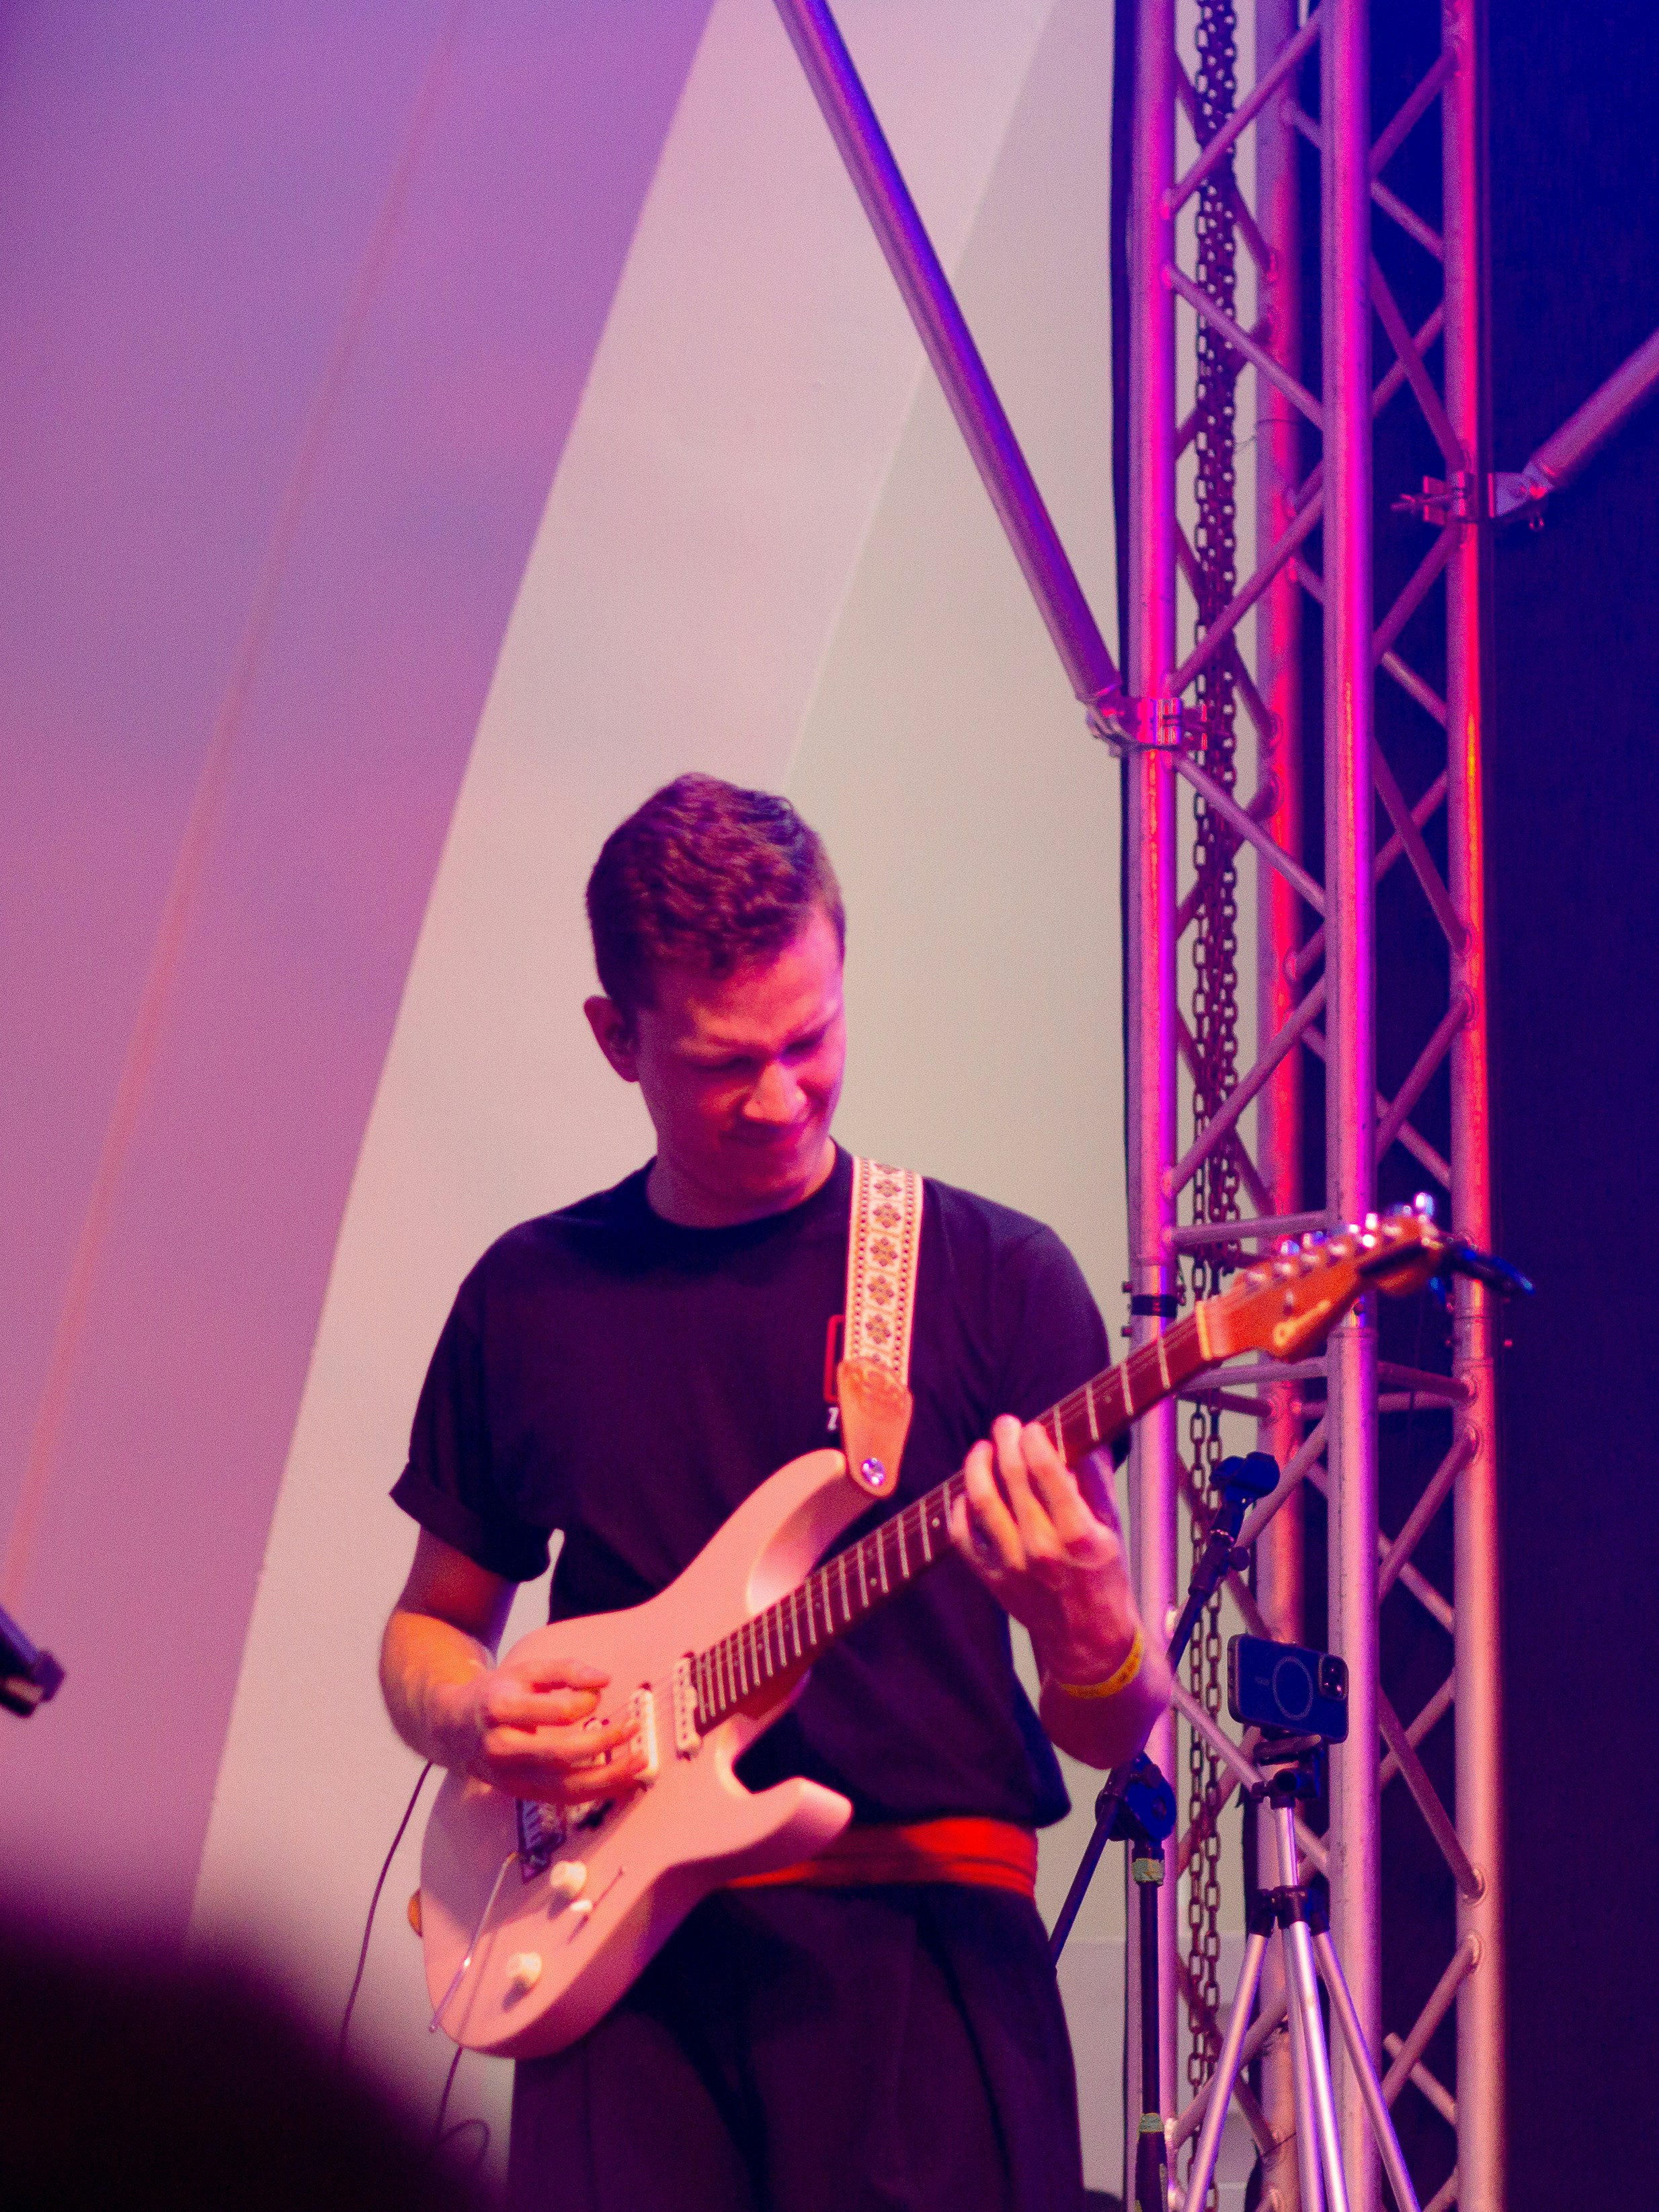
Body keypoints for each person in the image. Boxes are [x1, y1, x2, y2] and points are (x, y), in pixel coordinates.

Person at [380, 774, 1172, 2212]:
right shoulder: (529, 1294)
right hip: (615, 1977)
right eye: (720, 1061)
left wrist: (1088, 1618)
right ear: (616, 1037)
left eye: (811, 1038)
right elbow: (429, 1629)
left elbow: (1110, 1725)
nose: (781, 1094)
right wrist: (469, 1710)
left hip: (923, 1960)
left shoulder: (991, 1276)